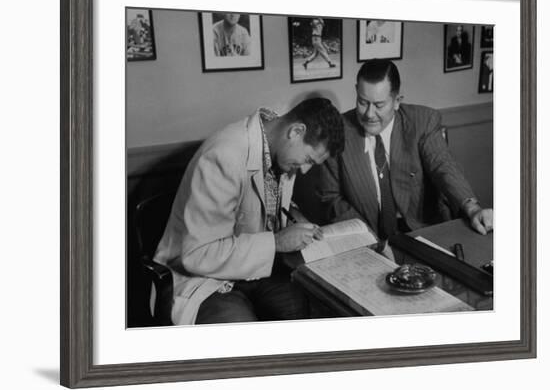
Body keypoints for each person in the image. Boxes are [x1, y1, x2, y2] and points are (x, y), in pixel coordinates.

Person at [154, 98, 345, 325]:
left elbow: (261, 203)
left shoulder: (278, 150)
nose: (304, 170)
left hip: (253, 272)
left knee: (314, 313)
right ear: (295, 131)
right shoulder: (224, 155)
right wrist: (277, 243)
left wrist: (294, 218)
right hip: (202, 278)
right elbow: (198, 255)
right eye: (307, 159)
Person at [319, 59, 493, 246]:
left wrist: (472, 208)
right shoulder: (338, 131)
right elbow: (331, 197)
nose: (369, 114)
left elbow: (443, 166)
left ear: (396, 101)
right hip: (367, 239)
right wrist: (365, 236)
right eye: (362, 102)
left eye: (379, 105)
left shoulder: (422, 122)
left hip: (422, 232)